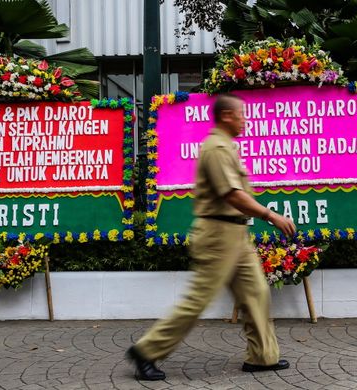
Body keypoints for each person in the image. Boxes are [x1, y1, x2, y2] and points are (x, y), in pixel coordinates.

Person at [126, 93, 297, 381]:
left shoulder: (226, 146)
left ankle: (262, 357)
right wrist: (271, 216)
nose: (245, 120)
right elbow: (233, 195)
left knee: (256, 292)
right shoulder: (216, 147)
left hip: (235, 234)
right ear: (227, 116)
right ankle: (146, 351)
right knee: (198, 300)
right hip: (218, 235)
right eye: (241, 115)